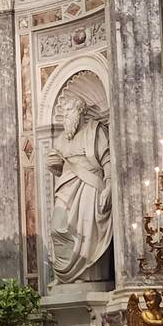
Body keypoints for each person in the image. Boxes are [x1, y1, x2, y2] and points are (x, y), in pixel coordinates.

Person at [47, 94, 112, 284]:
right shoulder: (61, 139)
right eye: (63, 113)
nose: (65, 116)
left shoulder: (95, 131)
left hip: (90, 186)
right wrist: (53, 164)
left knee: (84, 231)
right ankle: (65, 274)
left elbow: (108, 161)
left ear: (79, 112)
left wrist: (108, 186)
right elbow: (58, 167)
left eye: (68, 112)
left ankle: (87, 275)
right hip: (66, 187)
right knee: (57, 228)